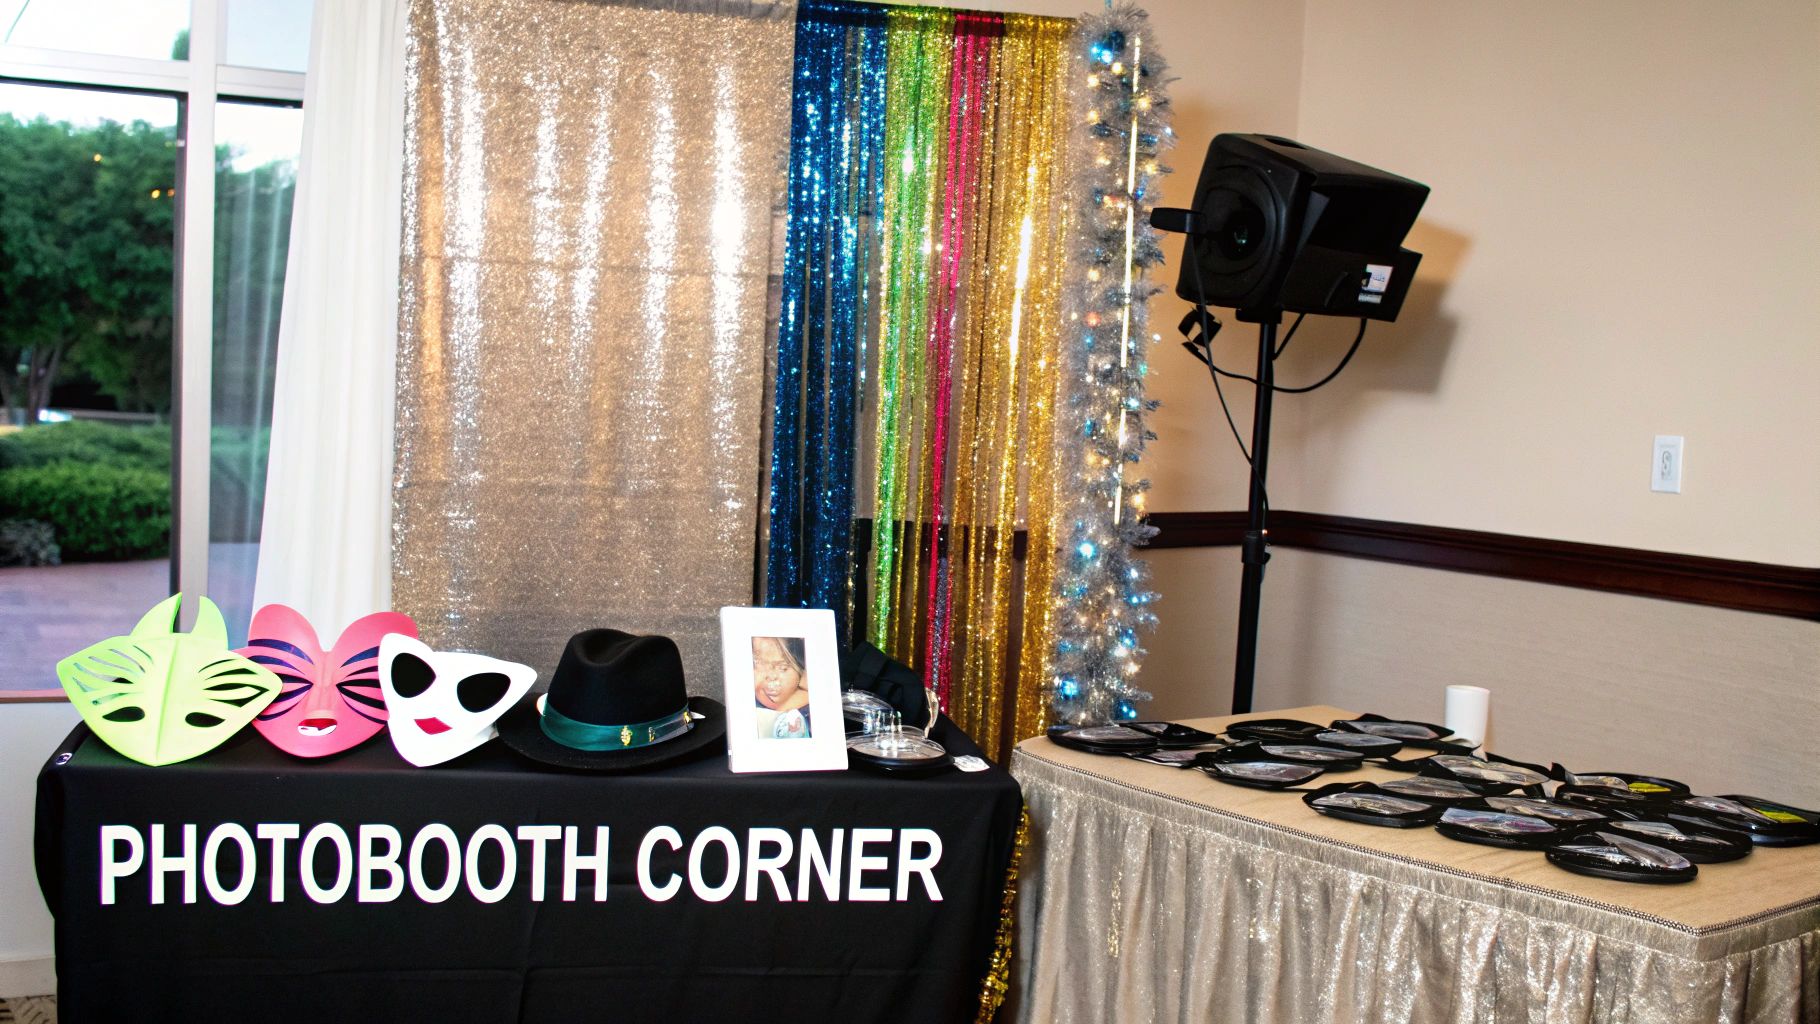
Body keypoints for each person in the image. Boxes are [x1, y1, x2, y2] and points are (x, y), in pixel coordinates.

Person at [752, 635, 811, 739]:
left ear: (802, 673)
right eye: (759, 664)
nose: (771, 676)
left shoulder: (812, 715)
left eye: (783, 668)